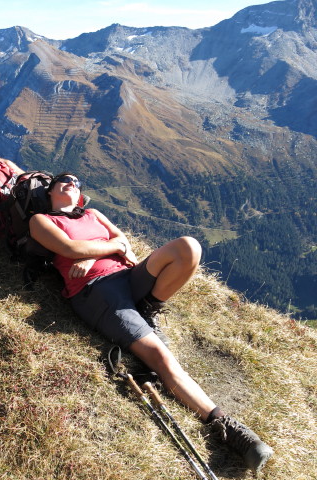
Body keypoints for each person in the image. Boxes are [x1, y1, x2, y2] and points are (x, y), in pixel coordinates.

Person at [29, 172, 274, 473]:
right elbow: (71, 250)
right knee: (161, 357)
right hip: (97, 292)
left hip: (127, 277)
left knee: (188, 247)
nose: (71, 183)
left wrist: (100, 252)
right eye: (62, 180)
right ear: (49, 191)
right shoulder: (42, 220)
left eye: (76, 182)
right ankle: (229, 429)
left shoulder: (92, 213)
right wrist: (109, 249)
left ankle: (147, 307)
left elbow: (122, 240)